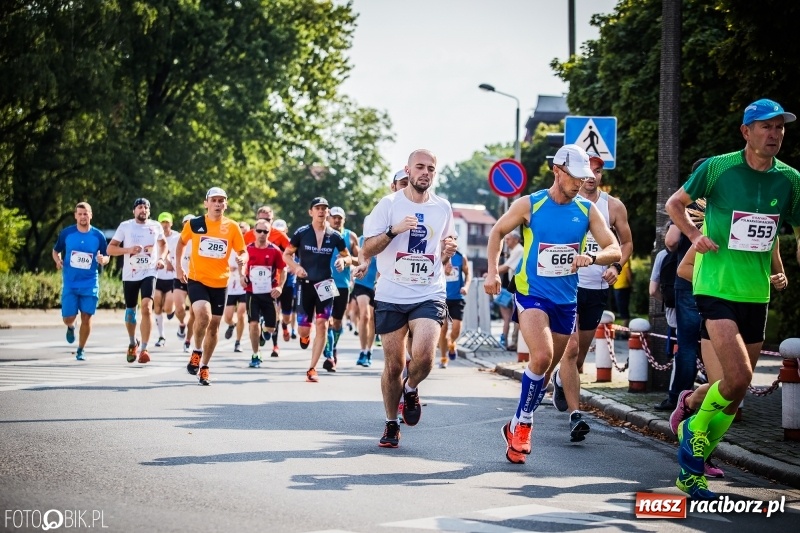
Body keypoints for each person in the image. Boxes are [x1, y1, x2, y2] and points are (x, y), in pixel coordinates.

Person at [664, 98, 800, 500]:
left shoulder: (790, 179)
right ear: (746, 131)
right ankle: (692, 457)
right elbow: (675, 204)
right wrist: (694, 236)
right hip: (715, 288)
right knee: (738, 377)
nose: (774, 134)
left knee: (735, 390)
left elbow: (779, 230)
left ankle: (695, 424)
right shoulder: (718, 168)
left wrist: (783, 266)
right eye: (766, 127)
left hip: (755, 292)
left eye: (780, 128)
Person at [484, 144, 621, 465]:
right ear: (557, 171)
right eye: (574, 177)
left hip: (566, 300)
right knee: (542, 356)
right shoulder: (531, 204)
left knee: (545, 372)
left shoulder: (587, 210)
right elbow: (497, 232)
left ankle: (517, 421)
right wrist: (492, 272)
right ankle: (525, 426)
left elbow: (613, 247)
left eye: (583, 178)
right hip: (531, 294)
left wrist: (594, 257)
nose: (579, 184)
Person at [359, 149, 458, 448]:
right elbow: (368, 249)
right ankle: (391, 423)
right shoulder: (388, 205)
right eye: (420, 167)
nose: (425, 172)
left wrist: (448, 249)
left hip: (429, 291)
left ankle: (411, 387)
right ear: (408, 170)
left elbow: (445, 241)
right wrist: (393, 231)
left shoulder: (442, 207)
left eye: (431, 168)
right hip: (391, 293)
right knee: (393, 365)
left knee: (424, 357)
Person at [550, 150, 633, 442]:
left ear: (600, 176)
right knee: (570, 349)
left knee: (579, 356)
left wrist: (615, 265)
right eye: (587, 171)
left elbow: (626, 243)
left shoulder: (613, 207)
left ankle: (561, 379)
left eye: (597, 172)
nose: (591, 176)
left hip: (596, 288)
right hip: (566, 285)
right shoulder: (565, 204)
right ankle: (576, 415)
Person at [175, 187, 247, 386]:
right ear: (206, 203)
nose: (217, 204)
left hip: (220, 283)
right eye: (214, 200)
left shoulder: (232, 227)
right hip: (198, 279)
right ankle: (196, 351)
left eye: (221, 201)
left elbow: (243, 251)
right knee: (203, 315)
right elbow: (181, 244)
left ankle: (205, 366)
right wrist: (179, 267)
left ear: (226, 204)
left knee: (214, 327)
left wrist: (242, 258)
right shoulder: (195, 224)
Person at [282, 197, 352, 382]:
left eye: (324, 208)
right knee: (304, 329)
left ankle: (312, 368)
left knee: (323, 324)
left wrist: (342, 261)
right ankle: (304, 337)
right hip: (304, 284)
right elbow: (286, 254)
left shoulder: (335, 236)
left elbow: (349, 257)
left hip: (326, 284)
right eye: (317, 208)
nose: (321, 211)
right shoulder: (301, 233)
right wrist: (296, 267)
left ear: (328, 212)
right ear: (311, 212)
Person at [107, 198, 167, 364]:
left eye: (146, 207)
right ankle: (133, 342)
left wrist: (161, 259)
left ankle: (144, 349)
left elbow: (163, 245)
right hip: (130, 275)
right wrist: (128, 250)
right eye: (140, 207)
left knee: (147, 308)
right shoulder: (126, 226)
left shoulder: (156, 226)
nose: (143, 210)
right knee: (130, 313)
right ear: (134, 210)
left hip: (149, 272)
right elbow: (110, 249)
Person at [52, 202, 110, 361]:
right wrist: (58, 261)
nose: (83, 216)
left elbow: (106, 256)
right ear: (75, 216)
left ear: (91, 215)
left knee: (87, 317)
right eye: (80, 214)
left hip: (90, 283)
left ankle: (81, 349)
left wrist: (102, 260)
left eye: (86, 213)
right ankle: (71, 326)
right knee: (68, 318)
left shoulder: (98, 235)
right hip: (70, 283)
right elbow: (56, 251)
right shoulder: (67, 233)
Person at [243, 219, 287, 367]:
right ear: (254, 232)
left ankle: (265, 332)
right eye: (259, 231)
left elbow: (284, 269)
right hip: (252, 293)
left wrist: (280, 287)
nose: (262, 234)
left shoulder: (274, 250)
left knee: (271, 328)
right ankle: (256, 354)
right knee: (253, 323)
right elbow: (241, 267)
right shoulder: (247, 249)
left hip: (269, 293)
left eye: (265, 231)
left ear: (270, 233)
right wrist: (242, 278)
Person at [323, 206, 360, 371]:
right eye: (334, 217)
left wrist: (348, 260)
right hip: (325, 282)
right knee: (326, 320)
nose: (336, 220)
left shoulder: (350, 236)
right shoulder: (323, 234)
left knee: (337, 321)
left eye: (340, 218)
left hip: (343, 284)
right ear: (328, 218)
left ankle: (333, 345)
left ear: (344, 219)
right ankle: (330, 354)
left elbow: (360, 260)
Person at [438, 248, 472, 368]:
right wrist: (443, 271)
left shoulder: (461, 257)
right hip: (442, 298)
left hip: (457, 298)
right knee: (443, 329)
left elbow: (468, 275)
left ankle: (451, 343)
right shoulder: (438, 255)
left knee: (456, 329)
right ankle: (443, 358)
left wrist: (466, 287)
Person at [153, 212, 180, 348]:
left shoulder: (177, 237)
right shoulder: (154, 235)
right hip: (157, 275)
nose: (164, 225)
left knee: (168, 307)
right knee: (156, 303)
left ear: (171, 223)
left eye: (167, 222)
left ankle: (171, 311)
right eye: (162, 222)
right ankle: (161, 336)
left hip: (172, 277)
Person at [352, 233, 379, 366]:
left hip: (377, 286)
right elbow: (356, 258)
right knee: (365, 316)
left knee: (373, 319)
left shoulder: (385, 239)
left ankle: (369, 350)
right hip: (362, 283)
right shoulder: (361, 240)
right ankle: (362, 351)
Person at [496, 231, 523, 350]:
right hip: (514, 286)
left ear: (516, 240)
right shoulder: (514, 251)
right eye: (505, 239)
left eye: (508, 239)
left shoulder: (519, 251)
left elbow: (506, 267)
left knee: (517, 315)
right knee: (513, 315)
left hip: (519, 286)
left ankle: (516, 343)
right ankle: (513, 342)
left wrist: (492, 272)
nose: (506, 242)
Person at [173, 214, 196, 352]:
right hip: (180, 277)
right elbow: (169, 253)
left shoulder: (199, 239)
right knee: (180, 308)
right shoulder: (177, 239)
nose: (188, 225)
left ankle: (188, 340)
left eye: (191, 223)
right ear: (183, 225)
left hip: (196, 278)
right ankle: (182, 323)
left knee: (194, 313)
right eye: (186, 222)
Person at [222, 250, 247, 353]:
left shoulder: (245, 250)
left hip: (243, 287)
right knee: (227, 318)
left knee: (241, 313)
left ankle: (238, 342)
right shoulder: (226, 248)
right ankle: (232, 325)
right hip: (230, 287)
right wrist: (228, 268)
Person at [612, 259, 633, 331]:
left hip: (623, 287)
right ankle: (624, 330)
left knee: (623, 308)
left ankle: (625, 331)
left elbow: (628, 272)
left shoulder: (625, 258)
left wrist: (630, 284)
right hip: (617, 286)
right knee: (621, 308)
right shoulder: (615, 259)